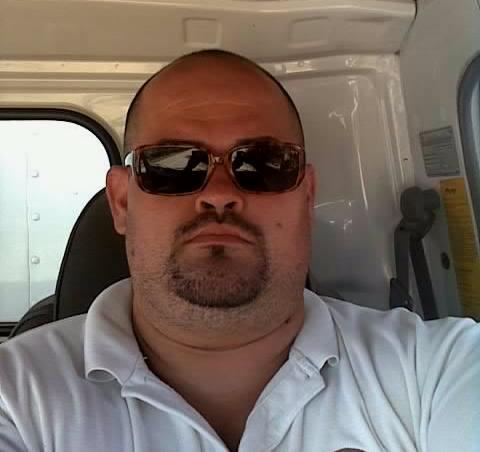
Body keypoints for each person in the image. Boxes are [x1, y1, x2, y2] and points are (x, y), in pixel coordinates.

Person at [0, 50, 479, 452]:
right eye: (172, 164)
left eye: (264, 164)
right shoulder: (16, 399)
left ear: (306, 198)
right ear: (122, 202)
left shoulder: (437, 371)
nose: (219, 193)